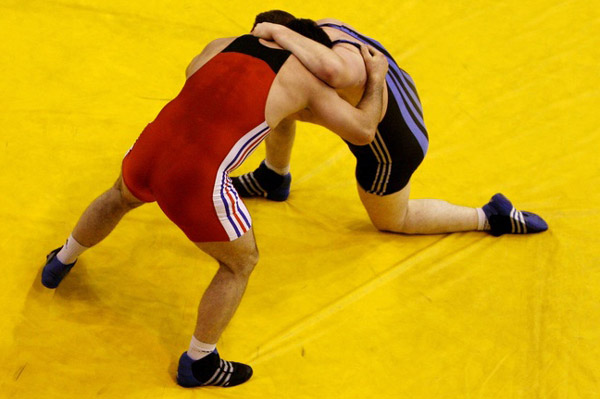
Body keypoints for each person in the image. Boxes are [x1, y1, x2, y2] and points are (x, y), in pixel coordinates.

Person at [41, 17, 389, 388]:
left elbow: (200, 80)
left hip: (152, 147)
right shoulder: (303, 78)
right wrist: (377, 76)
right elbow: (364, 130)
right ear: (313, 51)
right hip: (195, 180)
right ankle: (200, 361)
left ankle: (61, 260)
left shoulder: (221, 44)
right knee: (240, 262)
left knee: (116, 198)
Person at [233, 14, 548, 237]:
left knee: (395, 220)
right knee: (281, 99)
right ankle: (273, 177)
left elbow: (333, 75)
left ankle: (490, 217)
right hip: (402, 96)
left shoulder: (339, 70)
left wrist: (277, 34)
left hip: (392, 149)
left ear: (288, 37)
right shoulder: (328, 27)